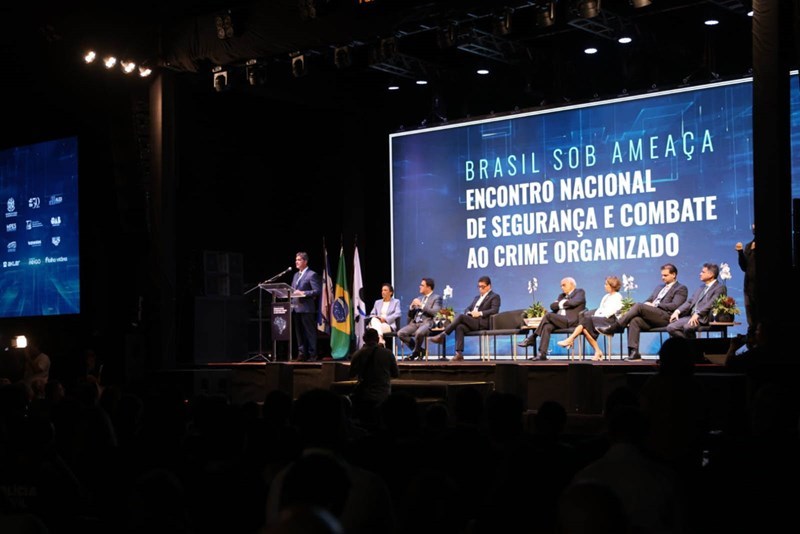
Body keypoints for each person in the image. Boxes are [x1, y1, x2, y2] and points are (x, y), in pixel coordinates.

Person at [598, 263, 689, 361]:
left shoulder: (681, 288)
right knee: (635, 320)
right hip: (653, 317)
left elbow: (675, 306)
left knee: (639, 306)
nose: (662, 277)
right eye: (662, 275)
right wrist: (648, 304)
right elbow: (649, 300)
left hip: (667, 317)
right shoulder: (659, 287)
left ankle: (616, 327)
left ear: (674, 274)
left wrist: (655, 305)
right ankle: (634, 353)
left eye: (665, 275)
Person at [429, 275, 501, 362]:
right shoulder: (477, 298)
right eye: (479, 287)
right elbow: (468, 308)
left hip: (482, 322)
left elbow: (494, 310)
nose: (480, 289)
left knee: (460, 316)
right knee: (459, 327)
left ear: (489, 286)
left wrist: (479, 313)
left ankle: (443, 335)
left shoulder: (494, 296)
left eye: (483, 287)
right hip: (472, 321)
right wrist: (469, 313)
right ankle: (459, 354)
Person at [556, 275, 623, 361]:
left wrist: (595, 317)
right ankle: (597, 351)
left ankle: (570, 339)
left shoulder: (618, 296)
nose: (605, 286)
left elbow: (611, 312)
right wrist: (595, 316)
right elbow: (600, 309)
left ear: (612, 285)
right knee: (585, 328)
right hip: (601, 318)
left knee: (586, 320)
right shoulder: (606, 296)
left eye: (606, 284)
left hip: (610, 320)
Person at [518, 277, 586, 361]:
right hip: (560, 321)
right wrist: (564, 303)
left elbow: (574, 303)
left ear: (571, 284)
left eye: (564, 285)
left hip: (571, 321)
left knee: (548, 315)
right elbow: (552, 306)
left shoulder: (579, 292)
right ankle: (542, 354)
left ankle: (533, 337)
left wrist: (560, 303)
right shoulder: (561, 296)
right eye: (561, 286)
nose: (562, 287)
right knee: (547, 326)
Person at [348, 327, 399, 428]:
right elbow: (396, 374)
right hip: (383, 394)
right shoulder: (388, 353)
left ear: (364, 339)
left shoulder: (358, 354)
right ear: (378, 339)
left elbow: (351, 374)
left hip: (365, 395)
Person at [666, 262, 726, 339]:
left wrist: (698, 313)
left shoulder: (720, 287)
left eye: (703, 272)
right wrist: (677, 311)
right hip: (691, 316)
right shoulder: (701, 287)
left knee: (687, 327)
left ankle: (693, 345)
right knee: (670, 327)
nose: (700, 274)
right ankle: (692, 344)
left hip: (703, 318)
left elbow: (712, 303)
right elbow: (690, 301)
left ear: (711, 275)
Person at [397, 278, 442, 361]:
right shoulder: (419, 298)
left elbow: (435, 312)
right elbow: (411, 315)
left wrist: (421, 305)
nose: (419, 286)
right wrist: (411, 308)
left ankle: (414, 353)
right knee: (400, 333)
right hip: (415, 323)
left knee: (419, 333)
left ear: (428, 287)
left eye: (422, 285)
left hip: (427, 322)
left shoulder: (436, 298)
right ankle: (420, 351)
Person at [291, 251, 321, 361]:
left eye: (299, 260)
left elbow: (317, 291)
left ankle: (313, 354)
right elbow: (293, 290)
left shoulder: (312, 274)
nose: (296, 262)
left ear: (305, 261)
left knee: (309, 332)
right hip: (295, 308)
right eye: (296, 260)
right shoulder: (295, 275)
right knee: (299, 333)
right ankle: (302, 353)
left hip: (307, 308)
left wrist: (304, 293)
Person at [736, 223, 757, 345]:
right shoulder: (749, 245)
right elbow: (744, 267)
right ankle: (751, 344)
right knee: (751, 318)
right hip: (748, 287)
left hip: (760, 287)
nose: (753, 227)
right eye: (753, 225)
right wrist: (740, 252)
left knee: (760, 317)